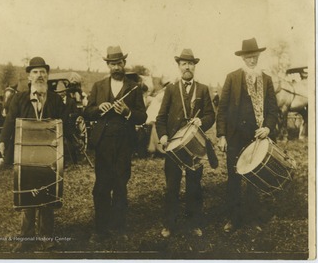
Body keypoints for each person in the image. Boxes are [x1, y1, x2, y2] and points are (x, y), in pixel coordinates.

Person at [0, 57, 65, 252]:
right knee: (27, 195)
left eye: (43, 71)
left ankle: (47, 238)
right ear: (29, 76)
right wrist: (1, 144)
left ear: (47, 75)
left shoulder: (56, 100)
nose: (40, 75)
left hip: (49, 155)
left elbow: (64, 124)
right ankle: (26, 238)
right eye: (35, 72)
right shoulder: (19, 98)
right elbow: (9, 123)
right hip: (25, 155)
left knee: (48, 194)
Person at [84, 46, 147, 242]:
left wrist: (128, 112)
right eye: (113, 64)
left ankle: (119, 229)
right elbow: (87, 112)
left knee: (120, 185)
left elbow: (142, 116)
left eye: (119, 63)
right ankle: (100, 229)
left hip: (124, 143)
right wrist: (98, 108)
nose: (116, 67)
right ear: (108, 65)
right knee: (101, 186)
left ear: (124, 64)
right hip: (103, 143)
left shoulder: (134, 88)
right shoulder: (98, 86)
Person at [216, 38, 278, 233]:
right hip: (234, 137)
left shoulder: (266, 80)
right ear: (243, 58)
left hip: (256, 136)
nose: (252, 60)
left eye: (255, 56)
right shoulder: (232, 77)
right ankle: (233, 219)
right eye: (249, 57)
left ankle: (252, 218)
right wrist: (221, 135)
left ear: (258, 56)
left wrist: (267, 127)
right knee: (234, 177)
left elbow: (273, 109)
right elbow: (222, 109)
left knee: (255, 178)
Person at [155, 49, 215, 238]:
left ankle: (194, 223)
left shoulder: (203, 89)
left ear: (194, 66)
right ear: (179, 67)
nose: (187, 67)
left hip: (194, 145)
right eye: (183, 64)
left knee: (194, 185)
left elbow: (211, 115)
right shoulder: (171, 89)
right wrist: (163, 135)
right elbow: (161, 117)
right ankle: (169, 224)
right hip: (173, 145)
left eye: (190, 64)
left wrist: (202, 122)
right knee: (172, 185)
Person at [55, 80, 80, 164]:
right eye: (58, 92)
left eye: (61, 92)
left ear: (65, 92)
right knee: (61, 144)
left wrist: (70, 116)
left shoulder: (71, 101)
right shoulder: (57, 102)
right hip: (61, 126)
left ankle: (74, 160)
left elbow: (77, 113)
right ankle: (63, 162)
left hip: (70, 126)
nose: (60, 94)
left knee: (71, 143)